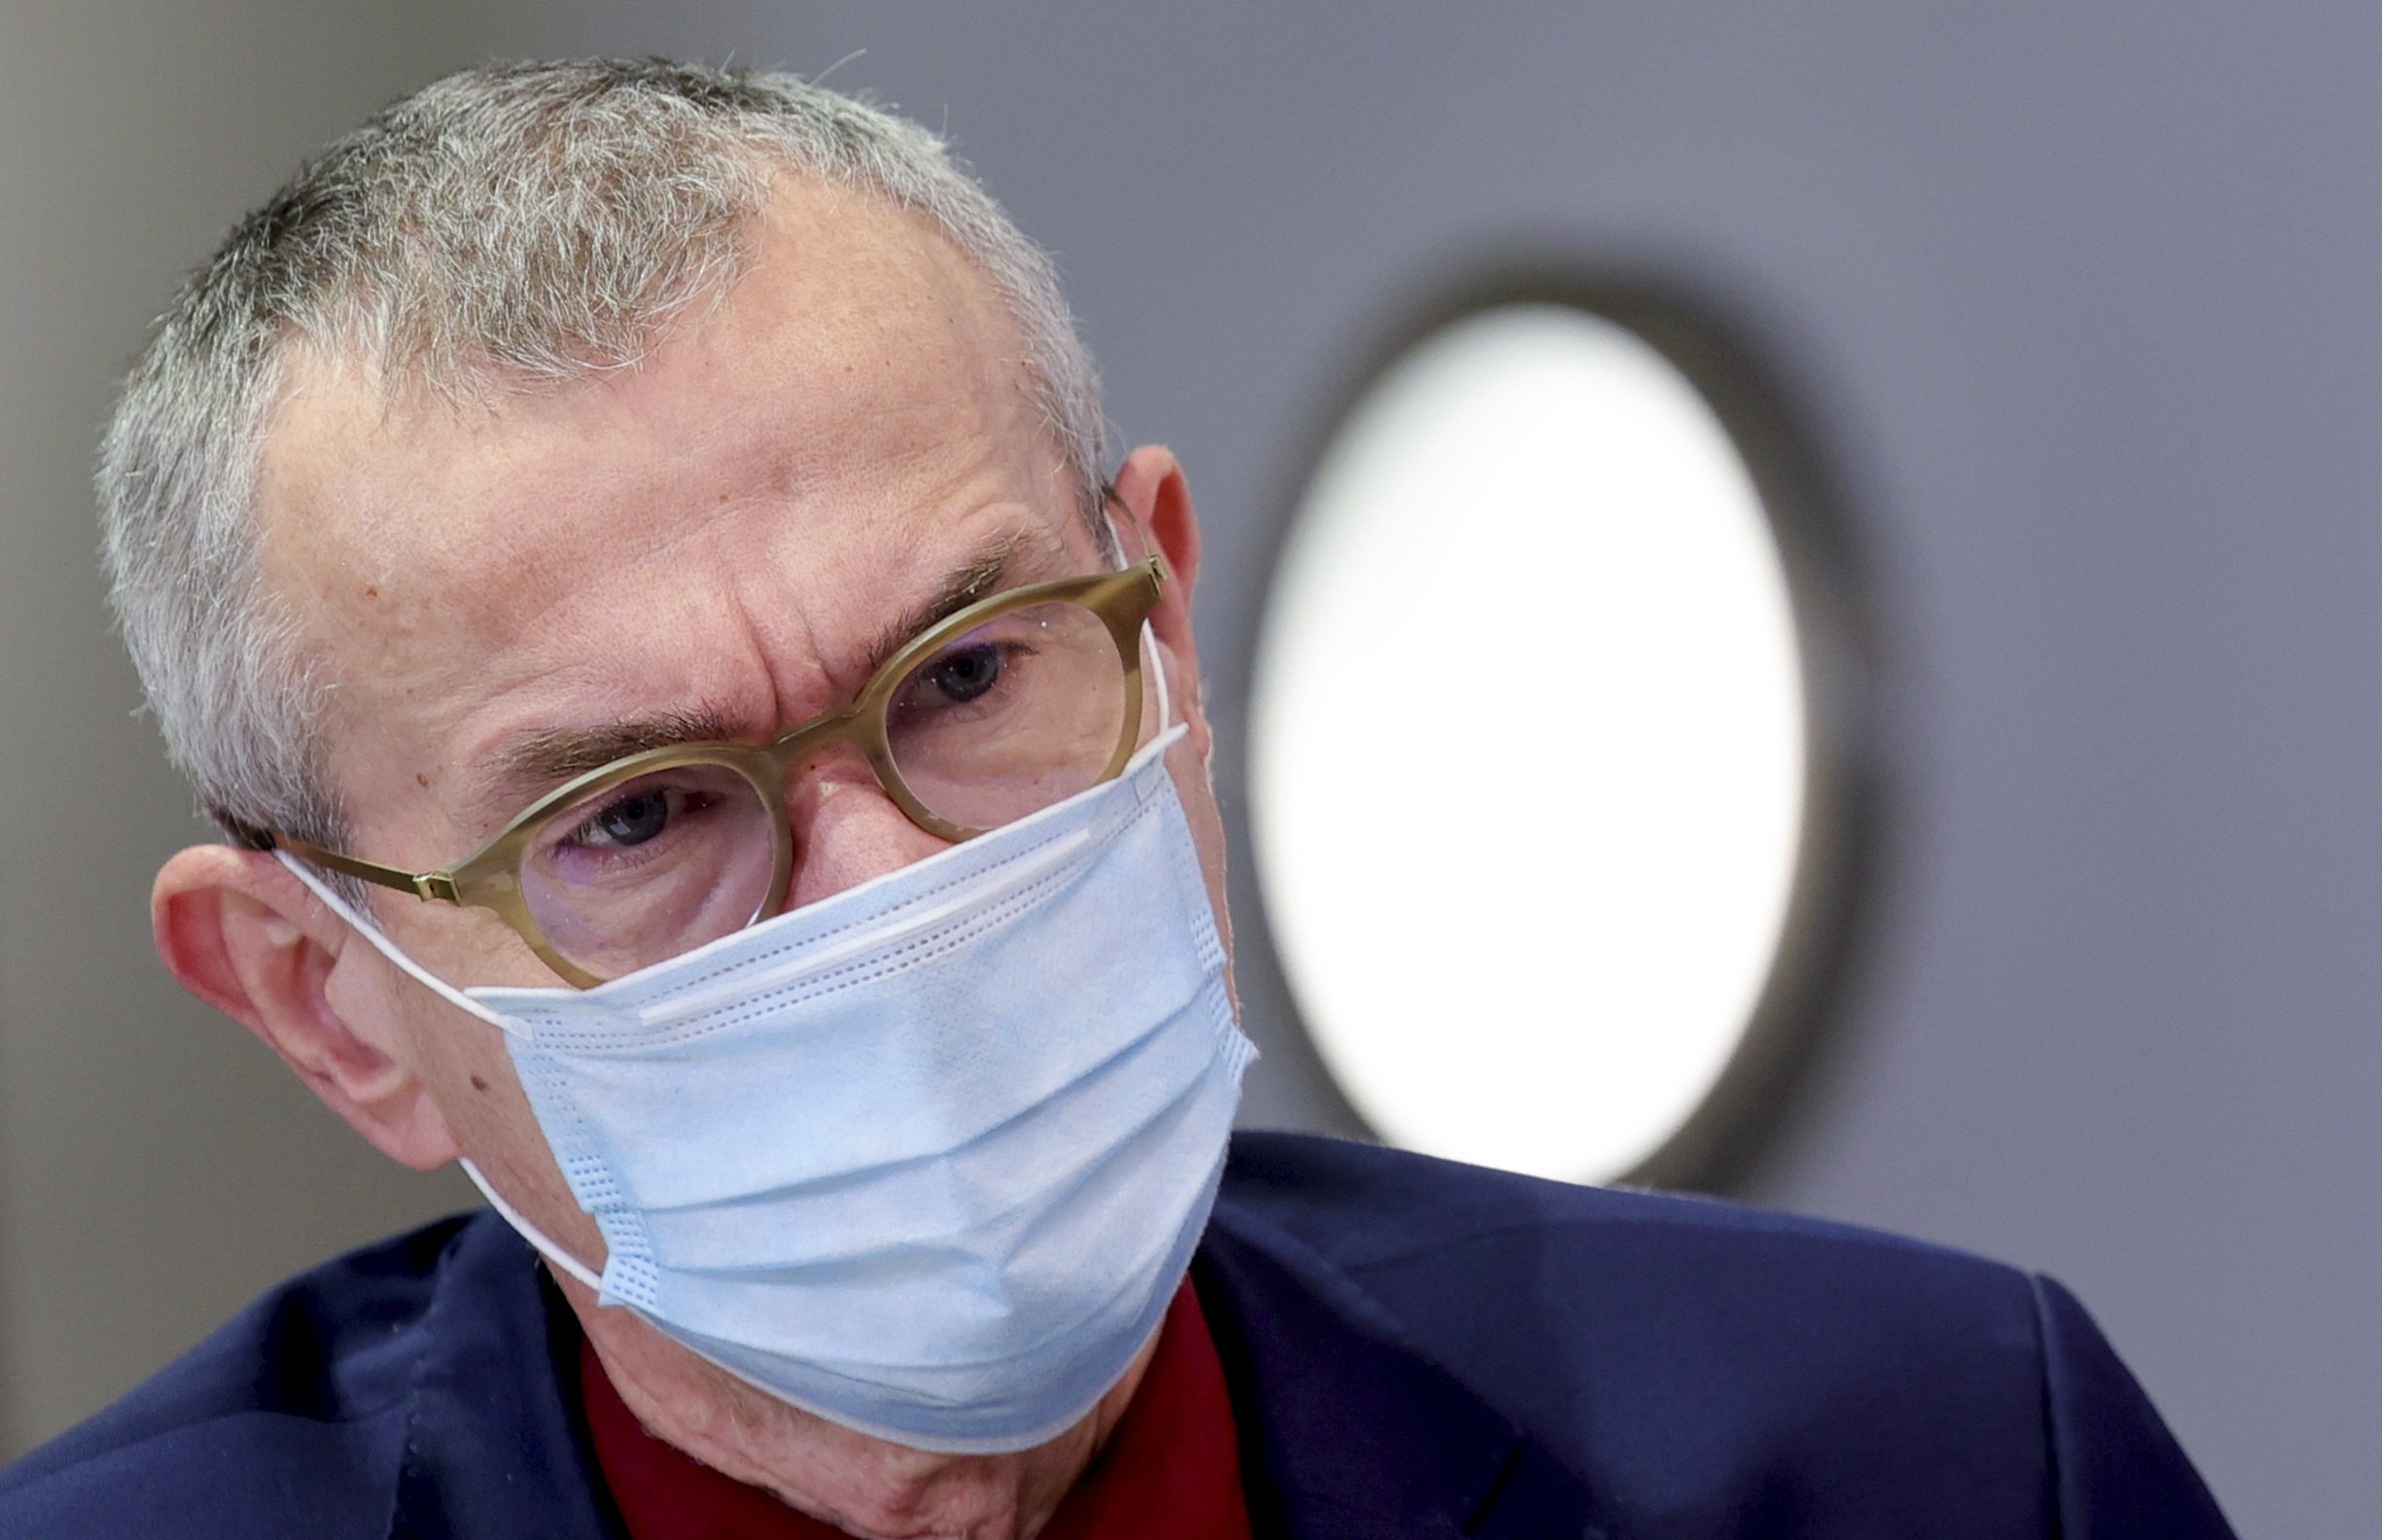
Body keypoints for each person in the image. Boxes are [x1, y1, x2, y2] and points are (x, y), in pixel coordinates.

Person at [0, 58, 2232, 1540]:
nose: (889, 900)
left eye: (967, 672)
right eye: (635, 818)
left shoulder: (1926, 1454)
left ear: (1160, 611)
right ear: (329, 1004)